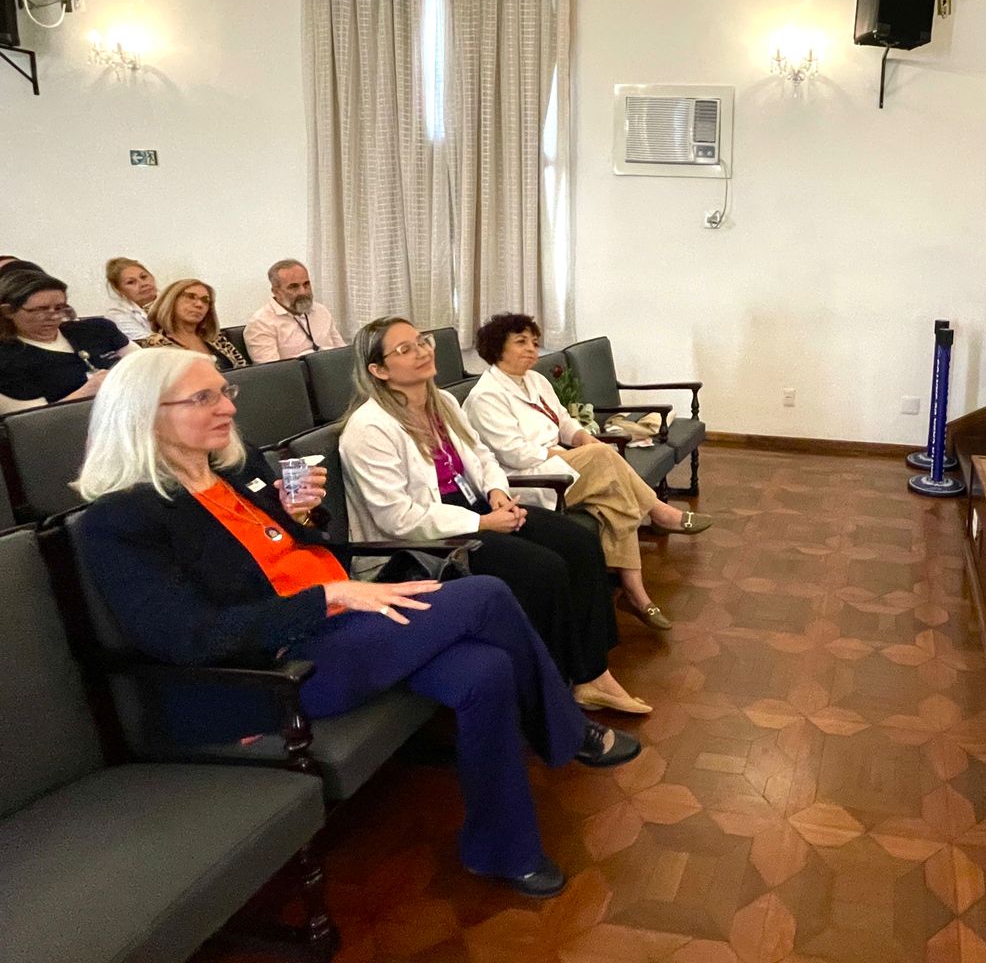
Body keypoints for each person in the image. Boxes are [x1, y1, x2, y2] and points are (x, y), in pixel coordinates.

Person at [72, 348, 639, 900]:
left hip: (346, 626)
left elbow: (297, 546)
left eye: (225, 391)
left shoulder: (237, 469)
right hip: (273, 672)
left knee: (484, 669)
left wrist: (302, 518)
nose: (228, 407)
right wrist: (328, 596)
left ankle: (503, 849)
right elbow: (186, 637)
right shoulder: (121, 519)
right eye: (203, 398)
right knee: (486, 594)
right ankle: (567, 731)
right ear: (144, 413)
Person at [340, 317, 649, 714]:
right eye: (405, 349)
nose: (422, 352)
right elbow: (397, 518)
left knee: (580, 542)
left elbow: (481, 456)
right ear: (379, 371)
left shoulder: (442, 402)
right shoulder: (369, 429)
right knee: (543, 569)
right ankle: (553, 691)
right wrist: (482, 523)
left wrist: (496, 492)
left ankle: (594, 674)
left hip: (475, 509)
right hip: (425, 543)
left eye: (421, 341)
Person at [464, 314, 711, 633]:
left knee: (614, 497)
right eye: (521, 342)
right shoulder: (486, 396)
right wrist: (573, 454)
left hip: (560, 463)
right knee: (603, 459)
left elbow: (563, 420)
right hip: (530, 479)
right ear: (497, 347)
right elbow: (516, 453)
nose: (531, 349)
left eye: (534, 342)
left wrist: (583, 439)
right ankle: (659, 512)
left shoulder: (535, 380)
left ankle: (635, 593)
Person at [0, 269, 137, 413]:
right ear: (8, 311)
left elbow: (143, 363)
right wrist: (87, 391)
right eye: (41, 310)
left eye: (59, 308)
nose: (54, 316)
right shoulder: (7, 360)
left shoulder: (98, 329)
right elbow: (33, 421)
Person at [243, 259, 346, 362]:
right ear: (276, 292)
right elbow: (272, 370)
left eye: (306, 284)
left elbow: (343, 352)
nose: (303, 292)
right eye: (293, 287)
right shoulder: (261, 324)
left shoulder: (320, 310)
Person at [141, 279, 248, 370]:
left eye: (205, 300)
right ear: (170, 301)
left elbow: (244, 370)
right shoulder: (156, 344)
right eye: (190, 297)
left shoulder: (215, 338)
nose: (199, 304)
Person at [104, 257, 159, 340]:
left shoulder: (174, 300)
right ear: (119, 290)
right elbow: (149, 343)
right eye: (131, 282)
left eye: (143, 277)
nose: (143, 284)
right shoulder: (117, 313)